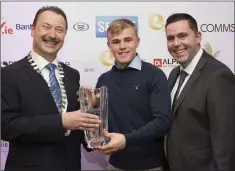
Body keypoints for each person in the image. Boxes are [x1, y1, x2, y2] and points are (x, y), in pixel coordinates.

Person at [1, 6, 101, 171]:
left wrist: (90, 112)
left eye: (59, 30)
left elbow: (81, 133)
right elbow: (6, 126)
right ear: (32, 29)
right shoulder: (8, 74)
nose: (52, 35)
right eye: (46, 27)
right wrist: (61, 121)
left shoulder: (72, 74)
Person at [88, 18, 171, 170]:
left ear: (137, 42)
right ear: (109, 45)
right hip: (115, 164)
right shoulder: (104, 80)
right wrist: (90, 108)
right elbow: (99, 125)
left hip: (150, 166)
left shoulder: (154, 75)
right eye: (116, 41)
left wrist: (126, 140)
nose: (122, 46)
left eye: (128, 40)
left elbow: (162, 122)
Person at [165, 13, 235, 171]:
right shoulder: (174, 73)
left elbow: (226, 143)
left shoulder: (219, 76)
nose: (176, 43)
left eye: (182, 36)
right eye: (171, 38)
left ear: (198, 37)